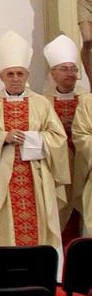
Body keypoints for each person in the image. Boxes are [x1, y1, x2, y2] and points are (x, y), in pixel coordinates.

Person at [0, 31, 69, 249]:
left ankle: (41, 265)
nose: (15, 78)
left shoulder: (41, 104)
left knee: (39, 223)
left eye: (20, 74)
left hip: (36, 176)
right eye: (10, 74)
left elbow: (58, 138)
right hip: (1, 177)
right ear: (1, 77)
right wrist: (3, 137)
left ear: (27, 75)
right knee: (4, 226)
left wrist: (31, 139)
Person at [42, 34, 90, 238]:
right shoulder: (43, 102)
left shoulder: (87, 99)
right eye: (64, 69)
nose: (70, 74)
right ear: (53, 73)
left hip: (84, 162)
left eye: (73, 69)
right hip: (56, 164)